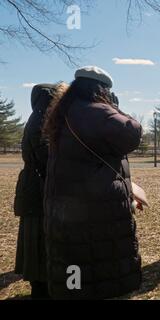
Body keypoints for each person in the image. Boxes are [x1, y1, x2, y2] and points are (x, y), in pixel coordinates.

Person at [43, 66, 142, 299]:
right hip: (96, 206)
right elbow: (132, 133)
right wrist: (115, 107)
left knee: (75, 261)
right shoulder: (97, 111)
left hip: (66, 204)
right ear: (102, 89)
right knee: (100, 260)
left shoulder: (64, 110)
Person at [14, 84, 56, 299]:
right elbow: (46, 156)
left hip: (33, 186)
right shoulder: (41, 120)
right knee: (37, 240)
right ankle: (40, 290)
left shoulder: (37, 117)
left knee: (36, 240)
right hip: (37, 189)